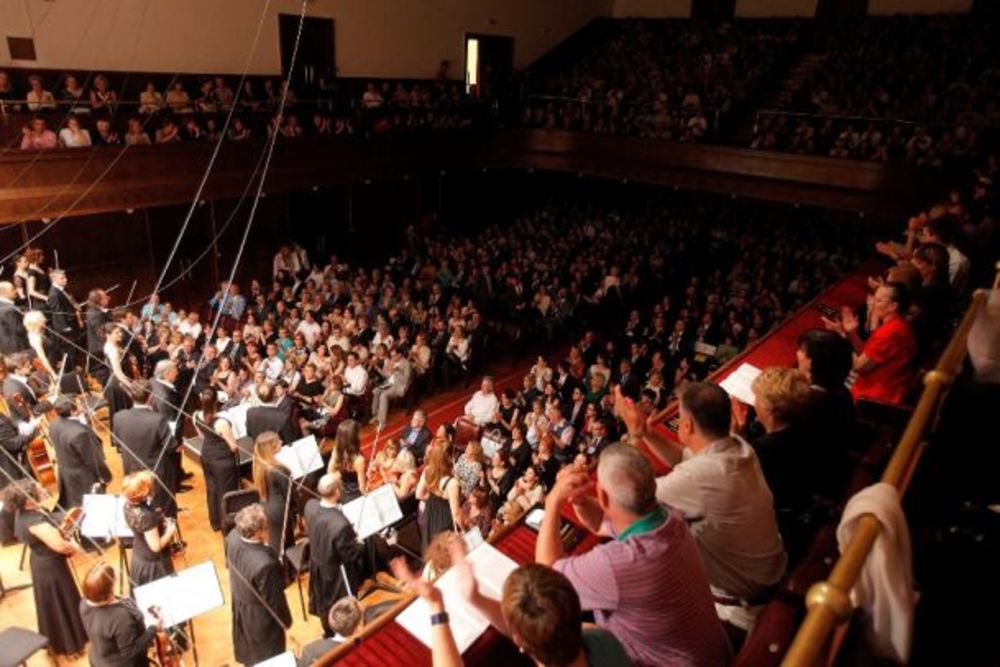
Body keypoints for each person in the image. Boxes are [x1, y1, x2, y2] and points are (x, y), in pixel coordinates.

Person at [537, 447, 730, 666]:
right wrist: (579, 499)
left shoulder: (617, 564)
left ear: (602, 496)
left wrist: (552, 502)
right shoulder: (670, 517)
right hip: (715, 655)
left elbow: (546, 579)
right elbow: (601, 523)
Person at [622, 383, 787, 637]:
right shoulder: (739, 447)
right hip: (768, 584)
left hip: (742, 615)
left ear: (686, 426)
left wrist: (633, 434)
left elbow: (628, 494)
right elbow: (686, 459)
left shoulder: (698, 478)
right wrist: (646, 433)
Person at [3, 478, 88, 658]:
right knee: (62, 603)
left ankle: (66, 641)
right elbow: (60, 546)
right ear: (28, 501)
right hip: (50, 568)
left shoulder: (24, 512)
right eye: (37, 489)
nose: (42, 488)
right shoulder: (35, 523)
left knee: (56, 604)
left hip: (42, 562)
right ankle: (71, 645)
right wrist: (76, 547)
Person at [824, 282, 918, 405]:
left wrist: (844, 339)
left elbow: (859, 367)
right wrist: (848, 333)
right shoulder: (896, 324)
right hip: (877, 390)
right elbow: (867, 353)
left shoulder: (890, 332)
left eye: (878, 301)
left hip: (873, 399)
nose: (873, 304)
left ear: (893, 306)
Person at [225, 503, 293, 665]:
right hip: (260, 619)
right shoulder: (265, 564)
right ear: (258, 532)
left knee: (250, 652)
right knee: (268, 657)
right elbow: (274, 600)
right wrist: (286, 621)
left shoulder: (233, 536)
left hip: (241, 604)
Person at [304, 473, 366, 637]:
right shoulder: (340, 525)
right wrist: (360, 542)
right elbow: (352, 555)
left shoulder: (310, 506)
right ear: (337, 491)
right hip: (337, 575)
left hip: (318, 565)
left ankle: (328, 633)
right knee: (344, 611)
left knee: (325, 604)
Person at [113, 380, 177, 515]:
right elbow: (171, 447)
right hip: (156, 475)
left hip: (132, 472)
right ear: (151, 397)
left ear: (131, 395)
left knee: (138, 509)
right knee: (162, 511)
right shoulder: (158, 419)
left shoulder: (118, 417)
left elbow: (118, 445)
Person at [79, 562, 157, 667]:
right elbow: (131, 652)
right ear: (108, 590)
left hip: (99, 658)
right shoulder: (120, 618)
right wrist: (153, 628)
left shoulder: (84, 602)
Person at [48, 397, 111, 507]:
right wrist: (105, 476)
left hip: (65, 472)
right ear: (73, 411)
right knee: (94, 506)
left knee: (75, 503)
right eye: (78, 404)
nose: (81, 405)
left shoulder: (53, 424)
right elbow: (93, 459)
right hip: (83, 477)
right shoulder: (79, 433)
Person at [193, 389, 240, 531]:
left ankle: (215, 523)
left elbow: (202, 436)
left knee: (212, 489)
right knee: (226, 492)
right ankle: (228, 525)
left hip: (207, 455)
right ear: (216, 401)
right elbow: (233, 446)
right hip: (222, 461)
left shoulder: (196, 415)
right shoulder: (221, 422)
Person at [122, 471, 177, 586]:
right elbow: (156, 547)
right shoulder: (145, 516)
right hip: (153, 565)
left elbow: (136, 526)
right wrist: (170, 531)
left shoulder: (127, 505)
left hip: (139, 557)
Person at [253, 431, 294, 554]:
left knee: (276, 539)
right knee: (284, 543)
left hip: (268, 507)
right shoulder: (279, 469)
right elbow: (288, 493)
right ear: (272, 447)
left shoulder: (260, 463)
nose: (282, 442)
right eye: (278, 441)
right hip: (280, 510)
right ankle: (285, 568)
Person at [416, 444, 462, 550]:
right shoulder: (452, 482)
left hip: (431, 511)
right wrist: (463, 530)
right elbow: (455, 513)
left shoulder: (427, 470)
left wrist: (433, 499)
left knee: (432, 544)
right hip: (445, 514)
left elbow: (418, 494)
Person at [369, 347, 412, 428]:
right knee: (376, 391)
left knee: (383, 395)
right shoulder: (392, 362)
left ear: (400, 355)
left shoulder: (406, 363)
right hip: (389, 383)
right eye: (391, 356)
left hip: (399, 386)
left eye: (394, 356)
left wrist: (397, 370)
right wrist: (378, 368)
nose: (392, 358)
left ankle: (382, 423)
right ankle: (376, 415)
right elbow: (387, 376)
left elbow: (406, 379)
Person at [327, 419, 366, 502]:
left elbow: (330, 471)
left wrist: (339, 483)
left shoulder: (336, 450)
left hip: (342, 492)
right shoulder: (359, 460)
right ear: (354, 437)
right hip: (354, 494)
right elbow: (362, 489)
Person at [104, 324, 135, 421]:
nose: (120, 334)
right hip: (120, 385)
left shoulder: (109, 344)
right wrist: (130, 386)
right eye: (117, 333)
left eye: (120, 332)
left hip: (115, 383)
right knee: (125, 414)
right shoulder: (113, 351)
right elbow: (118, 372)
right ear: (108, 335)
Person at [0, 281, 29, 354]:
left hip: (6, 346)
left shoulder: (4, 305)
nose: (16, 291)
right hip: (17, 347)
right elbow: (19, 329)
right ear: (4, 292)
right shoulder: (8, 310)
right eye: (13, 289)